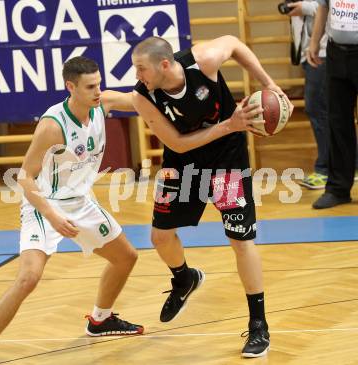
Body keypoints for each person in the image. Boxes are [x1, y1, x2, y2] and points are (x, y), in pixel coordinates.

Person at [0, 56, 144, 365]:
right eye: (90, 87)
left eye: (99, 83)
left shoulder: (103, 104)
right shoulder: (53, 126)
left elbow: (138, 100)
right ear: (70, 87)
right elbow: (24, 176)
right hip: (44, 205)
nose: (98, 91)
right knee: (29, 278)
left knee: (126, 257)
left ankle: (100, 320)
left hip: (79, 200)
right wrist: (51, 216)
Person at [131, 36, 293, 358]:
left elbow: (235, 43)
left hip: (227, 160)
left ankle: (259, 324)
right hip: (183, 160)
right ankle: (184, 279)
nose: (137, 75)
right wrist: (230, 124)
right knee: (160, 237)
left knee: (240, 239)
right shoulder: (142, 96)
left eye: (141, 68)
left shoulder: (202, 61)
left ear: (164, 64)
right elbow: (177, 143)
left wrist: (269, 83)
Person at [307, 0, 358, 209]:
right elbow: (323, 7)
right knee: (337, 122)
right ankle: (338, 189)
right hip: (336, 53)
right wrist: (314, 42)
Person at [287, 1, 330, 189]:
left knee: (317, 109)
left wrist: (304, 7)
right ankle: (346, 165)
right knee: (329, 112)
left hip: (324, 52)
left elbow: (331, 7)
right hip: (311, 52)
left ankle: (325, 170)